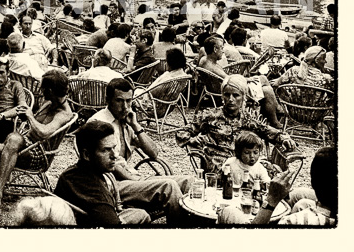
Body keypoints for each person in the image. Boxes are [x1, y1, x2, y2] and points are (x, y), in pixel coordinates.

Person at [0, 70, 74, 214]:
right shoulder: (49, 102)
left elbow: (43, 132)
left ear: (49, 90)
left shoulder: (64, 113)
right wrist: (2, 116)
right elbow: (24, 112)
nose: (41, 91)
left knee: (12, 140)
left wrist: (30, 116)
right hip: (24, 145)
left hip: (39, 154)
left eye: (43, 88)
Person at [87, 78, 191, 224]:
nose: (125, 107)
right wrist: (136, 180)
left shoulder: (126, 120)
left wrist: (136, 126)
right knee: (169, 187)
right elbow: (108, 164)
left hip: (132, 178)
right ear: (107, 100)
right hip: (111, 185)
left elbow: (154, 152)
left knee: (189, 181)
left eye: (129, 101)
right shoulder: (98, 124)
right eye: (119, 101)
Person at [175, 75, 296, 174]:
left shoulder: (248, 118)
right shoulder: (209, 116)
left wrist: (283, 137)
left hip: (246, 163)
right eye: (227, 95)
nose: (231, 99)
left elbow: (266, 130)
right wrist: (195, 142)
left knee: (275, 173)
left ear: (243, 97)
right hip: (220, 166)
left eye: (236, 95)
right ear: (222, 96)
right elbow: (183, 132)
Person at [54, 120, 150, 226]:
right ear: (86, 155)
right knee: (142, 215)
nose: (115, 155)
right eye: (106, 150)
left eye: (114, 148)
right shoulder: (93, 190)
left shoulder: (71, 173)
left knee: (141, 213)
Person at [219, 146, 336, 226]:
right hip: (332, 207)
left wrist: (271, 201)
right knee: (300, 199)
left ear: (313, 181)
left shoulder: (293, 221)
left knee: (228, 211)